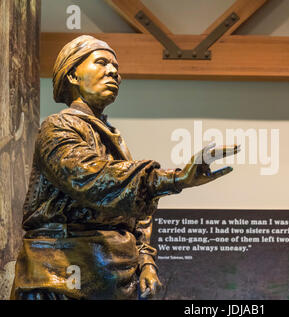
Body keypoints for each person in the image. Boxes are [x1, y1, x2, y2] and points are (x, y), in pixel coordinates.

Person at [10, 35, 239, 300]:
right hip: (59, 279)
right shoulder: (58, 128)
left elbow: (134, 212)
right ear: (72, 75)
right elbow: (93, 180)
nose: (114, 72)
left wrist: (145, 262)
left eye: (116, 68)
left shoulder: (113, 137)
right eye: (102, 63)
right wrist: (175, 179)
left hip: (112, 277)